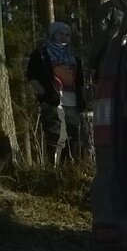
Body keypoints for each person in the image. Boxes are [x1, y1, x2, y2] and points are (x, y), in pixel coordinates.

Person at [26, 22, 86, 165]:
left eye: (67, 35)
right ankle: (53, 173)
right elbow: (32, 76)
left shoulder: (74, 58)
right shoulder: (41, 54)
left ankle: (71, 172)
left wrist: (82, 100)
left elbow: (80, 82)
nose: (64, 37)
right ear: (53, 34)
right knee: (57, 136)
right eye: (60, 33)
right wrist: (46, 95)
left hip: (73, 103)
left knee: (74, 138)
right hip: (54, 102)